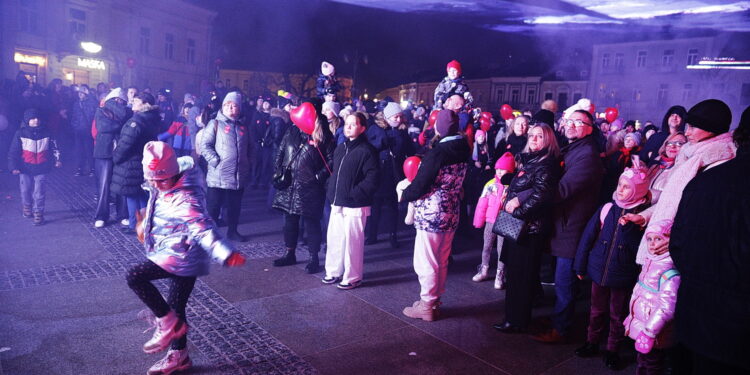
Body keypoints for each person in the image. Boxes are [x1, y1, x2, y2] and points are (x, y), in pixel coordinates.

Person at [126, 141, 245, 375]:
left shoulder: (185, 198)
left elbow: (203, 228)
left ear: (172, 174)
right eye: (152, 180)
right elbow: (159, 205)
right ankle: (179, 356)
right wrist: (145, 225)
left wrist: (225, 253)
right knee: (177, 307)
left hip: (182, 256)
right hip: (175, 249)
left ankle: (166, 322)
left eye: (161, 180)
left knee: (135, 276)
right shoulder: (165, 181)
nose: (156, 185)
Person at [669, 106, 750, 374]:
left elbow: (679, 245)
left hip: (696, 321)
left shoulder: (706, 179)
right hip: (739, 335)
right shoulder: (703, 172)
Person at [621, 99, 736, 265]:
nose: (687, 133)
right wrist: (643, 217)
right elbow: (672, 200)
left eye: (693, 127)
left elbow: (706, 218)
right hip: (665, 241)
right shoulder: (690, 155)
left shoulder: (718, 162)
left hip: (684, 251)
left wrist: (676, 239)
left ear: (712, 129)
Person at [533, 109, 605, 343]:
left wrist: (530, 195)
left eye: (578, 122)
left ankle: (561, 329)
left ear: (589, 128)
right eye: (568, 120)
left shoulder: (587, 156)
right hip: (563, 224)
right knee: (560, 277)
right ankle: (557, 318)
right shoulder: (573, 148)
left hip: (572, 227)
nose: (571, 125)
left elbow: (562, 190)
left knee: (565, 282)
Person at [574, 160, 650, 369]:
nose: (621, 190)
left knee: (618, 314)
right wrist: (580, 265)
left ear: (639, 190)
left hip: (623, 275)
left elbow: (642, 248)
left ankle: (612, 349)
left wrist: (631, 227)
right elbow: (587, 237)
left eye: (627, 187)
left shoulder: (644, 216)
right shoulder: (608, 208)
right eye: (619, 185)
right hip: (599, 271)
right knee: (596, 310)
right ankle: (591, 342)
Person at [397, 109, 470, 321]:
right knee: (441, 259)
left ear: (439, 126)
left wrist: (404, 194)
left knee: (426, 260)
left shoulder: (439, 152)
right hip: (451, 209)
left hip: (432, 212)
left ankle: (427, 305)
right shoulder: (464, 147)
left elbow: (421, 183)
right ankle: (434, 300)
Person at [492, 124, 560, 333]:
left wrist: (519, 211)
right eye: (532, 136)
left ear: (548, 140)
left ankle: (516, 320)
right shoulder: (532, 160)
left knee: (520, 276)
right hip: (522, 227)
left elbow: (543, 195)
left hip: (528, 228)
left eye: (540, 137)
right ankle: (517, 315)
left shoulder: (545, 163)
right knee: (519, 273)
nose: (534, 140)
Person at [272, 100, 335, 273]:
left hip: (310, 186)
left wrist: (317, 176)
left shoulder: (324, 134)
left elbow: (331, 160)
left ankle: (313, 258)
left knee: (311, 222)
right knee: (290, 221)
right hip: (290, 185)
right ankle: (289, 253)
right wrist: (278, 170)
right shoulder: (292, 130)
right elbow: (281, 151)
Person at [323, 112, 379, 289]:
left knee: (352, 243)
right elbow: (335, 173)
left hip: (355, 204)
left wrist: (355, 193)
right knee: (335, 239)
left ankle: (353, 276)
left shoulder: (367, 150)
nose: (348, 127)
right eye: (346, 123)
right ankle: (333, 272)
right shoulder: (341, 148)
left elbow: (373, 178)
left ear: (362, 128)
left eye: (353, 124)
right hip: (337, 201)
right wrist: (330, 187)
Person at [623, 220, 680, 375]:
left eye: (659, 238)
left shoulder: (669, 271)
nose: (652, 244)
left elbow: (666, 309)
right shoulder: (651, 262)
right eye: (649, 239)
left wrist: (649, 332)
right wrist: (631, 318)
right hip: (642, 324)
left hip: (654, 332)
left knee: (653, 364)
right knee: (643, 361)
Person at [199, 91, 251, 242]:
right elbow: (205, 146)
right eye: (227, 105)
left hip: (238, 175)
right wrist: (216, 162)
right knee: (213, 207)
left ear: (239, 109)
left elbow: (251, 148)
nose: (230, 108)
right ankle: (209, 235)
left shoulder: (243, 128)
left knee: (235, 207)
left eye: (234, 106)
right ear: (222, 107)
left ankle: (233, 231)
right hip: (218, 175)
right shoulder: (214, 123)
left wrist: (248, 163)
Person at [111, 92, 160, 234]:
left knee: (132, 194)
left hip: (131, 161)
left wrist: (116, 157)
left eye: (136, 101)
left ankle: (136, 225)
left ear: (146, 105)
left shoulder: (137, 121)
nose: (132, 103)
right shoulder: (152, 118)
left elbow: (126, 143)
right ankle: (142, 224)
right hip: (143, 160)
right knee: (139, 193)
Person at [366, 101, 413, 248]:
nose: (398, 120)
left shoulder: (402, 132)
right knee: (375, 206)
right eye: (395, 117)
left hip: (394, 174)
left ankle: (393, 236)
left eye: (400, 117)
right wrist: (383, 142)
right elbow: (369, 149)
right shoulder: (375, 129)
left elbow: (409, 151)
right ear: (387, 117)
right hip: (379, 172)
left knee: (393, 207)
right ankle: (372, 234)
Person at [7, 109, 61, 225]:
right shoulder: (20, 133)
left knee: (39, 191)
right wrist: (13, 166)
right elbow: (14, 151)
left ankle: (38, 213)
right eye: (32, 118)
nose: (36, 120)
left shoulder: (47, 132)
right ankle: (27, 207)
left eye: (37, 118)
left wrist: (57, 159)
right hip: (25, 167)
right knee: (25, 189)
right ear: (27, 120)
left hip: (42, 167)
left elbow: (54, 147)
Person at [471, 152, 515, 288]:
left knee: (502, 250)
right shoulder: (490, 184)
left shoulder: (512, 186)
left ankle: (500, 274)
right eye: (498, 169)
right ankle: (484, 269)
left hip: (504, 223)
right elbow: (482, 203)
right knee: (486, 246)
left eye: (503, 169)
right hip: (490, 221)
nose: (500, 171)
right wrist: (479, 221)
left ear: (510, 170)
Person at [93, 87, 132, 228]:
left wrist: (117, 125)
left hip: (121, 152)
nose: (119, 102)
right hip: (104, 153)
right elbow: (103, 127)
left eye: (122, 101)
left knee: (121, 184)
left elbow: (128, 128)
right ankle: (101, 215)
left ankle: (123, 214)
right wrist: (120, 126)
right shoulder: (101, 110)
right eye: (117, 100)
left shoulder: (128, 112)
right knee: (103, 186)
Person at [646, 133, 686, 205]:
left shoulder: (685, 169)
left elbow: (676, 197)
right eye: (669, 143)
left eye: (679, 143)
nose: (673, 146)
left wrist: (649, 196)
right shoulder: (655, 166)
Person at [70, 85, 97, 177]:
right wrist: (74, 125)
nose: (80, 94)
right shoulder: (76, 103)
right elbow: (73, 116)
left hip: (87, 130)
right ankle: (79, 168)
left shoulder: (91, 103)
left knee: (89, 150)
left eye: (82, 93)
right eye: (79, 93)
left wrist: (89, 126)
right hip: (78, 130)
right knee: (79, 150)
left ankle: (92, 169)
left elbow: (92, 115)